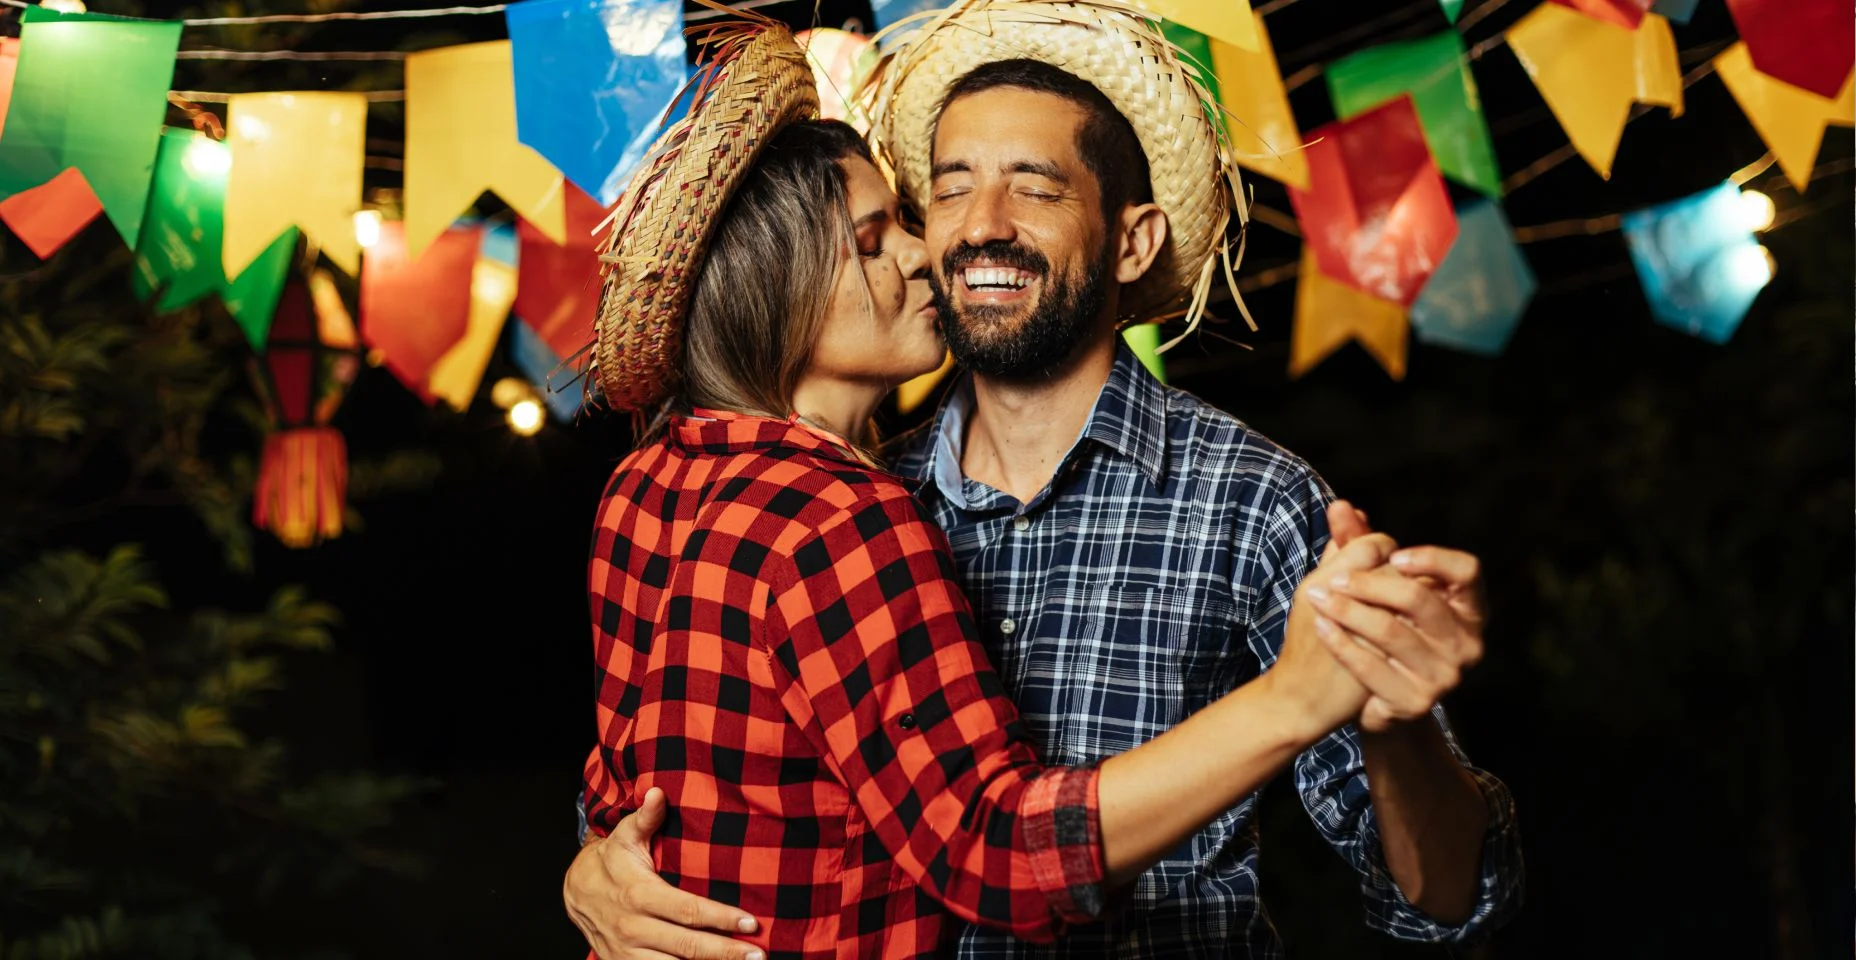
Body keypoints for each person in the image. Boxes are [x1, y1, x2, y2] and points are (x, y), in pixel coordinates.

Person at [567, 4, 1523, 958]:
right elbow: (697, 772)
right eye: (943, 192)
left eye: (1036, 188)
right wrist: (595, 870)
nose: (980, 228)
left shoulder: (1254, 503)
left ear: (1133, 242)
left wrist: (1395, 726)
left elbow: (1445, 905)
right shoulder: (850, 502)